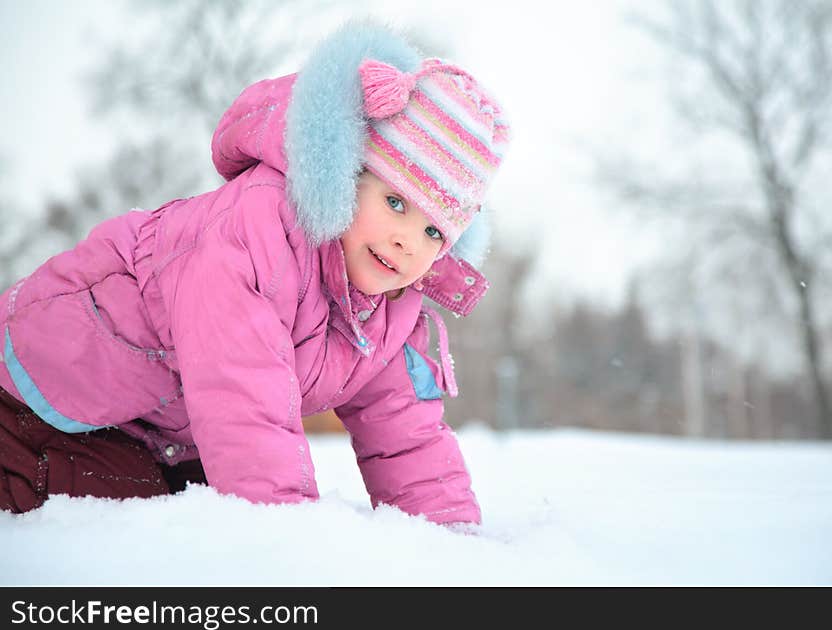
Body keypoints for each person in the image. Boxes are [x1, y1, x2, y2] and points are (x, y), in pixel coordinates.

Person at [0, 21, 510, 527]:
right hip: (42, 403)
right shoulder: (256, 234)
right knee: (123, 522)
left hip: (155, 433)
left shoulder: (390, 308)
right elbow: (243, 398)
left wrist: (451, 545)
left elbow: (408, 438)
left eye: (434, 233)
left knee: (180, 510)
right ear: (347, 178)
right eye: (395, 202)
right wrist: (281, 544)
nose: (408, 242)